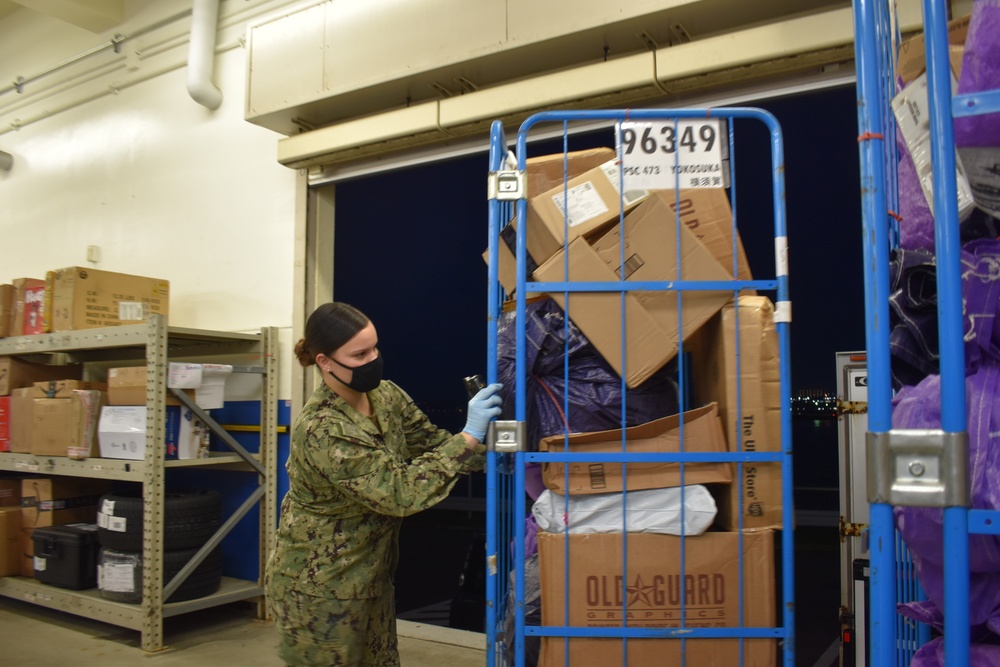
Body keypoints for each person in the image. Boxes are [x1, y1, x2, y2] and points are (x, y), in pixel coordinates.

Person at [265, 302, 502, 666]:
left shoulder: (385, 395)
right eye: (360, 354)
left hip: (372, 576)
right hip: (321, 587)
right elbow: (399, 492)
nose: (373, 359)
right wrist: (468, 435)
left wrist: (502, 458)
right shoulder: (323, 428)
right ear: (325, 362)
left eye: (374, 348)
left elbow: (431, 443)